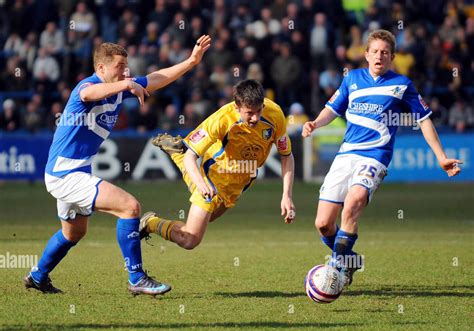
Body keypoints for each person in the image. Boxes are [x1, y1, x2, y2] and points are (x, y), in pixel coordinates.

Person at [24, 35, 212, 296]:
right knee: (130, 207)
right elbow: (89, 93)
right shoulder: (87, 87)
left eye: (127, 66)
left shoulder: (121, 87)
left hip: (76, 171)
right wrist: (126, 85)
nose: (127, 71)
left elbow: (156, 79)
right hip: (64, 174)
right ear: (101, 69)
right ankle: (136, 278)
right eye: (120, 67)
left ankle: (37, 275)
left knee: (73, 233)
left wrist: (191, 62)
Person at [301, 29, 462, 286]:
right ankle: (350, 260)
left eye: (385, 53)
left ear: (392, 57)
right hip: (345, 156)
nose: (379, 56)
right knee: (322, 224)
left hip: (375, 156)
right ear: (366, 54)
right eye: (375, 51)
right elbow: (332, 109)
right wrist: (315, 123)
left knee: (353, 203)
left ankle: (337, 269)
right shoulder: (352, 79)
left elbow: (424, 121)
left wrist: (441, 156)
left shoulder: (402, 85)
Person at [140, 79, 295, 255]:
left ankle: (151, 220)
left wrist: (286, 195)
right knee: (190, 239)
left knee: (208, 218)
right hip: (214, 174)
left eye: (259, 111)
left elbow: (286, 156)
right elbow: (192, 156)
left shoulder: (275, 114)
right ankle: (178, 158)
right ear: (237, 107)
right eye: (249, 113)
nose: (256, 118)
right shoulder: (222, 119)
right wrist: (200, 183)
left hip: (242, 179)